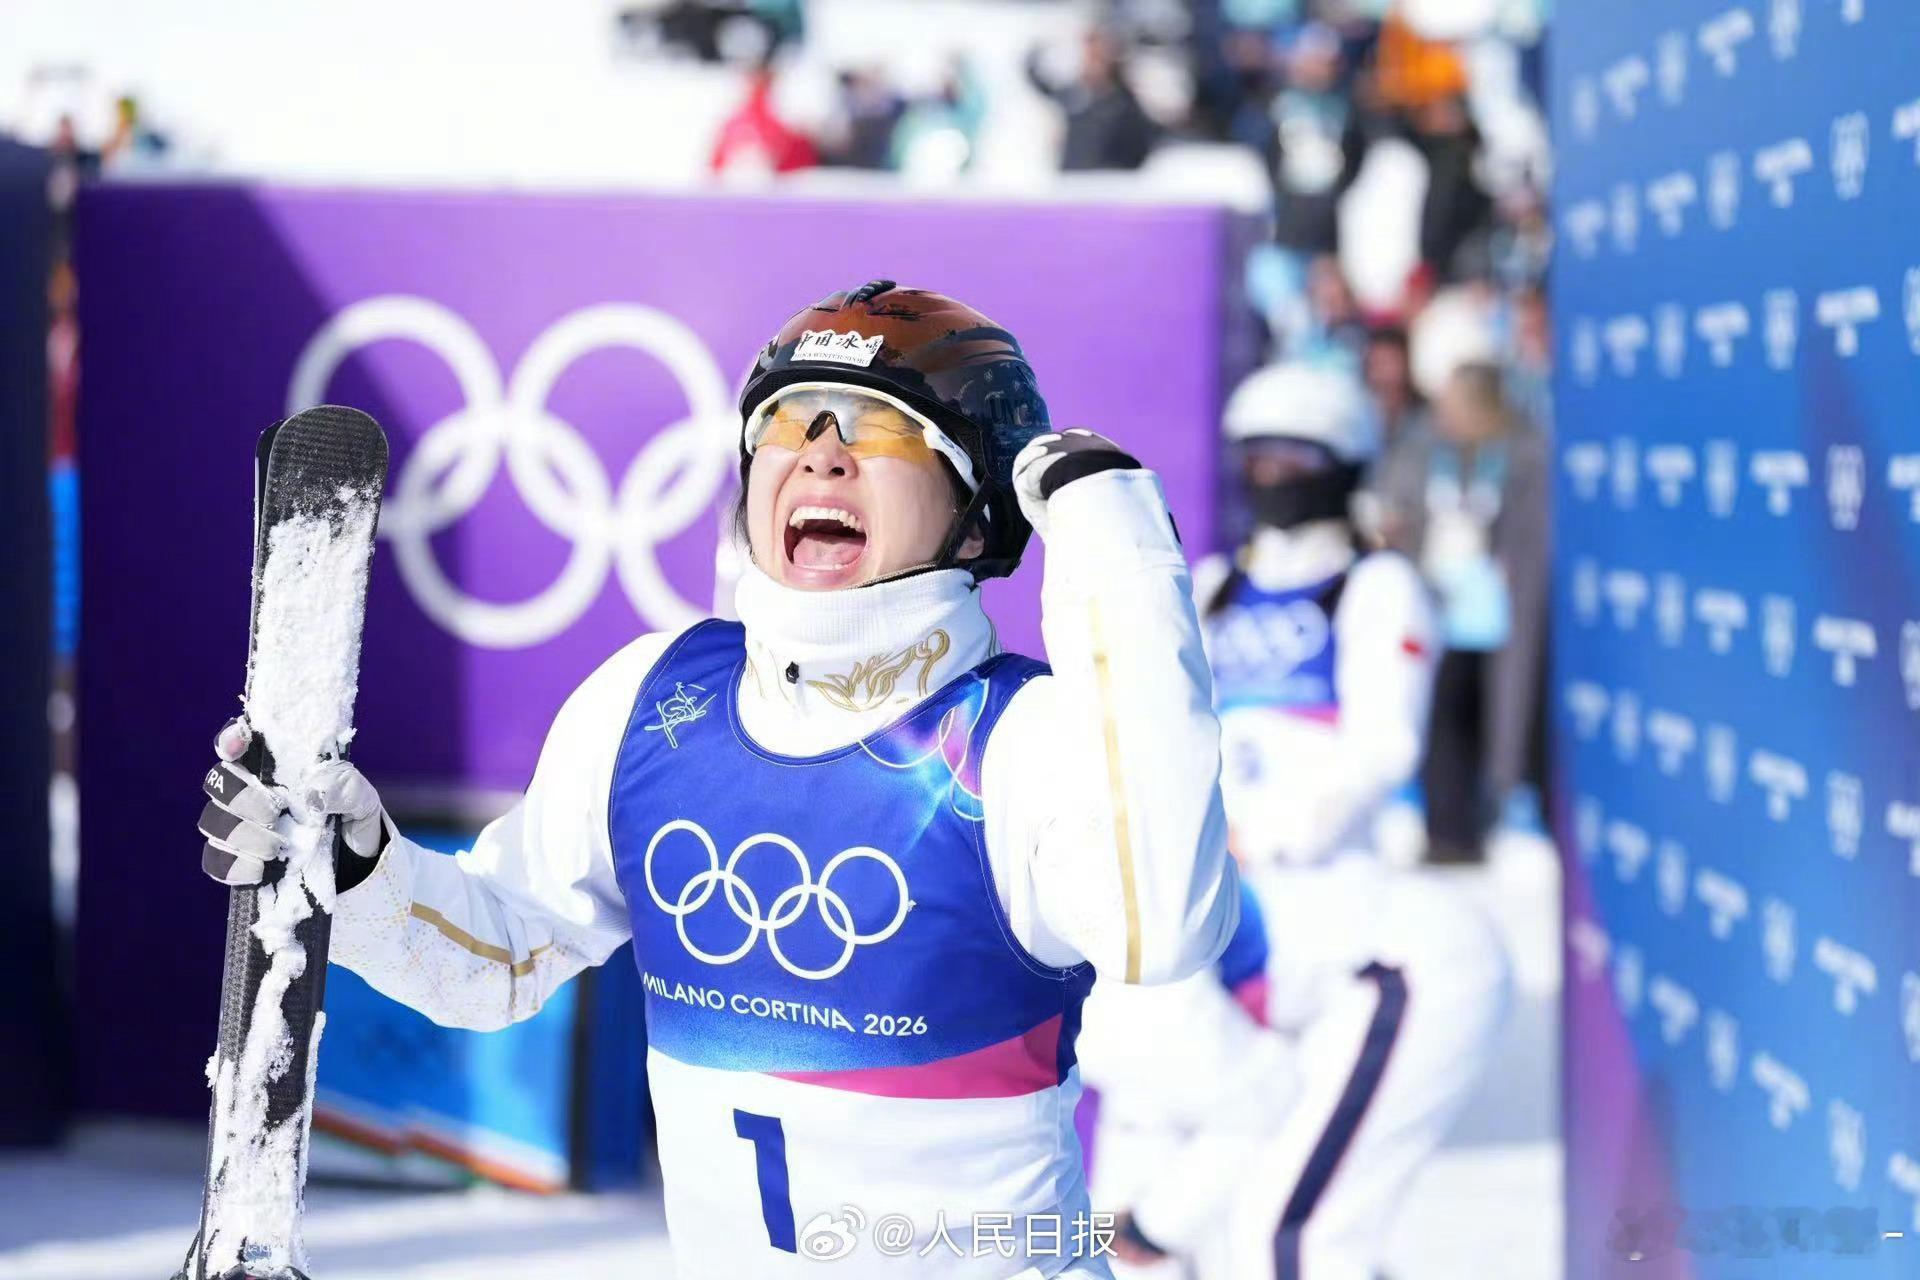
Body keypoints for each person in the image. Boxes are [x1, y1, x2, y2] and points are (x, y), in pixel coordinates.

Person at [196, 281, 1239, 1277]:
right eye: (788, 427)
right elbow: (497, 957)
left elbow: (1163, 926)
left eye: (876, 430)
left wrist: (1120, 555)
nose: (822, 458)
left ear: (974, 519)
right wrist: (363, 869)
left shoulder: (1020, 735)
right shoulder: (651, 698)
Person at [1078, 362, 1508, 1279]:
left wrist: (1273, 831)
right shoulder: (1216, 582)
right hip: (1214, 889)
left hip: (1320, 895)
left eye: (1296, 458)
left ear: (1341, 463)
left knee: (1293, 1212)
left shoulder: (1375, 586)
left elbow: (1386, 742)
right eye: (1258, 457)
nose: (1274, 476)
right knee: (1198, 1184)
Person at [1374, 360, 1550, 862]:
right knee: (1442, 713)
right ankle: (1447, 831)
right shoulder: (1422, 450)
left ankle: (1493, 814)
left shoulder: (1523, 454)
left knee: (1498, 711)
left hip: (1495, 605)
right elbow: (1395, 502)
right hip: (1437, 600)